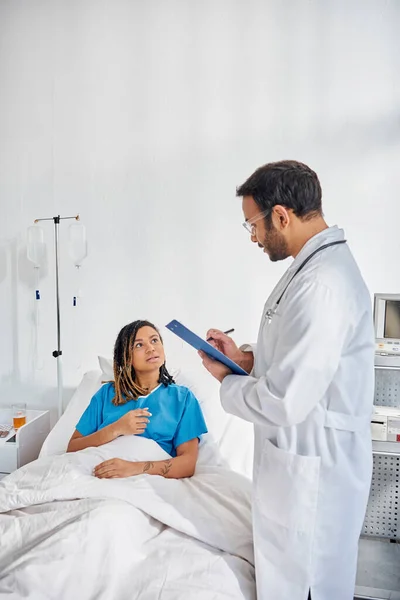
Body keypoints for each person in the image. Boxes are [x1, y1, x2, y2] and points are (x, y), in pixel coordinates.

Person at [199, 160, 374, 600]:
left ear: (281, 215)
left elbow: (284, 400)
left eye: (253, 225)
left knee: (306, 587)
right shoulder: (310, 270)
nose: (254, 238)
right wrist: (245, 358)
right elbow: (295, 356)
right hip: (298, 467)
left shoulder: (322, 284)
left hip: (315, 479)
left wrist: (227, 381)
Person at [68, 320, 208, 479]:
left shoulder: (182, 399)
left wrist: (134, 468)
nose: (151, 348)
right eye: (139, 345)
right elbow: (72, 448)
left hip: (143, 481)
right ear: (126, 357)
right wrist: (116, 429)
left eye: (154, 340)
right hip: (95, 472)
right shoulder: (107, 394)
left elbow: (187, 464)